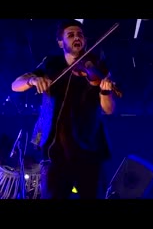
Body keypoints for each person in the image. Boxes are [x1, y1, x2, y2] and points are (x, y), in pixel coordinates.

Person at [11, 19, 116, 199]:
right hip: (56, 152)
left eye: (80, 35)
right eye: (71, 35)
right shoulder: (51, 64)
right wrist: (32, 80)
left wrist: (105, 92)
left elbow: (109, 109)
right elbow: (15, 85)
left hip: (89, 150)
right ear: (61, 42)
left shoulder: (97, 66)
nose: (77, 37)